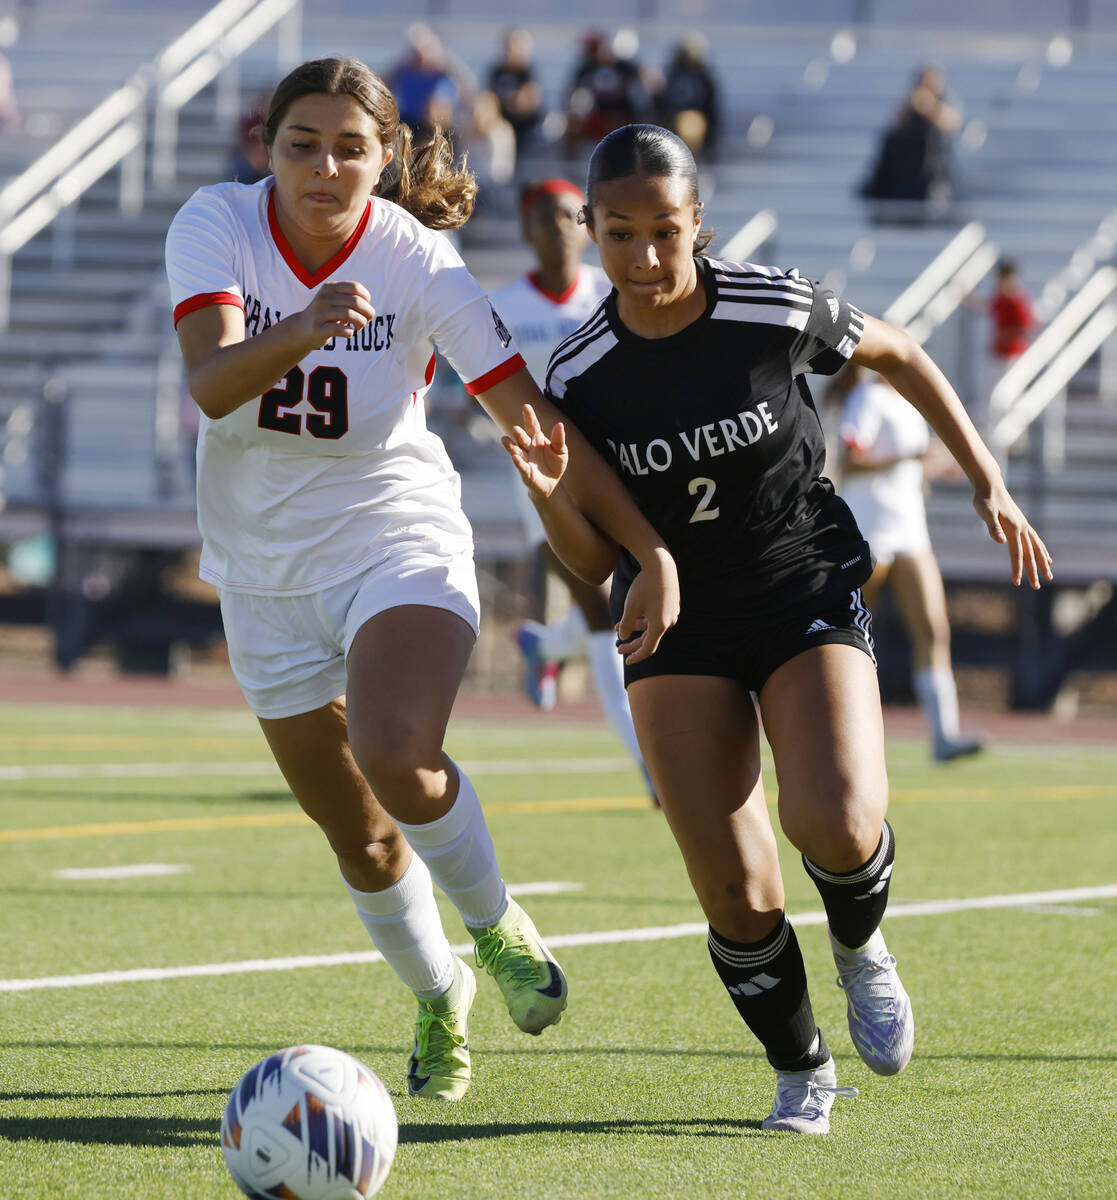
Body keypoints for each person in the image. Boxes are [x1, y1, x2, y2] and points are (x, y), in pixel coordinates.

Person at [503, 124, 1051, 1135]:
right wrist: (546, 498)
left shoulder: (770, 305)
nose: (645, 256)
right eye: (619, 234)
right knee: (733, 887)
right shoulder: (578, 377)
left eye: (665, 231)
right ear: (591, 233)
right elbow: (590, 564)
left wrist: (988, 483)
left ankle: (858, 948)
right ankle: (801, 1069)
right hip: (678, 624)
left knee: (837, 820)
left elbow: (901, 354)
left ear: (697, 223)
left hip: (799, 580)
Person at [165, 61, 680, 1105]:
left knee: (396, 751)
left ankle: (495, 927)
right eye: (302, 143)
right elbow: (214, 384)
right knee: (352, 830)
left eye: (350, 147)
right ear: (267, 148)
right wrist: (304, 325)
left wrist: (645, 550)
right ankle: (440, 992)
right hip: (259, 569)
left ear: (386, 158)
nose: (324, 166)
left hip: (394, 533)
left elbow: (534, 419)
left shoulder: (418, 263)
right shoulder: (214, 223)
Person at [488, 178, 651, 795]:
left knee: (610, 612)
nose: (558, 226)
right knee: (605, 610)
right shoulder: (502, 307)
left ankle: (548, 647)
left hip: (622, 467)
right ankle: (649, 764)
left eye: (567, 215)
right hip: (546, 475)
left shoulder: (610, 296)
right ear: (528, 230)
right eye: (545, 216)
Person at [835, 366, 983, 761]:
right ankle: (845, 732)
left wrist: (933, 467)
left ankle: (944, 734)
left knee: (934, 628)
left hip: (909, 530)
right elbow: (849, 461)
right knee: (851, 635)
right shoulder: (866, 398)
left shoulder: (909, 404)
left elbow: (906, 464)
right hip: (870, 530)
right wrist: (907, 457)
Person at [860, 65, 961, 222]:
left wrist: (930, 108)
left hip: (934, 184)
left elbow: (952, 123)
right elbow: (893, 126)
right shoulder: (908, 107)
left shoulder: (944, 104)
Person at [486, 28, 544, 155]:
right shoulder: (497, 71)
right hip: (501, 124)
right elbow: (488, 99)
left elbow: (525, 103)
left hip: (525, 127)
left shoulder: (527, 72)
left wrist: (507, 101)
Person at [989, 258, 1036, 363]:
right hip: (1000, 354)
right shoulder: (1001, 299)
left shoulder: (1017, 300)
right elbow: (986, 306)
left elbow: (1026, 327)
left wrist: (1006, 336)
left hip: (1013, 355)